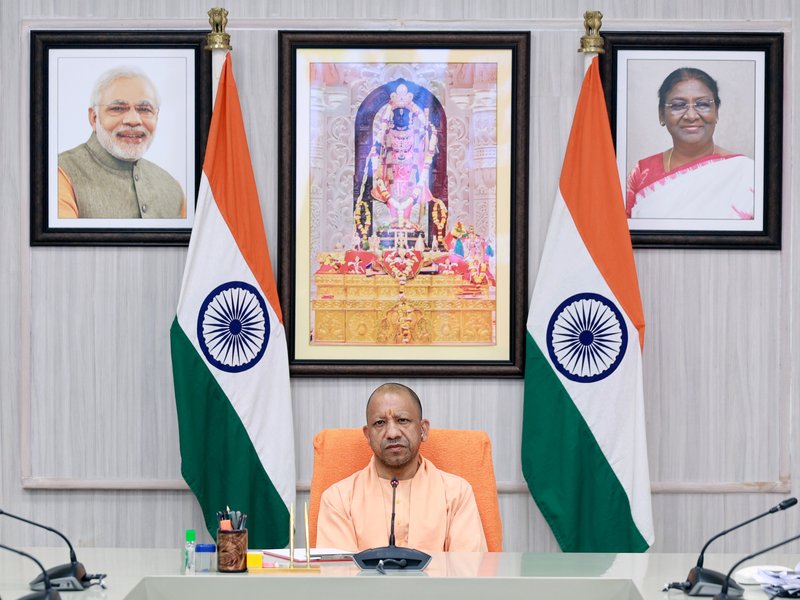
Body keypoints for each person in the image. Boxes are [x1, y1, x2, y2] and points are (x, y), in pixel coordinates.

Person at [316, 383, 488, 553]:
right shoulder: (339, 498)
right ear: (368, 435)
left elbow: (468, 567)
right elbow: (339, 569)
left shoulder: (456, 494)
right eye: (380, 423)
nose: (392, 433)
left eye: (402, 420)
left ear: (423, 430)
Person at [626, 67, 755, 220]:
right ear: (661, 114)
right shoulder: (642, 172)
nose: (691, 116)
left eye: (703, 104)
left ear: (716, 112)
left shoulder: (747, 173)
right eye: (678, 105)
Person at [57, 66, 185, 219]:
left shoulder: (173, 189)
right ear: (94, 118)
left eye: (145, 109)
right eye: (117, 108)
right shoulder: (59, 174)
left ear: (157, 117)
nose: (133, 120)